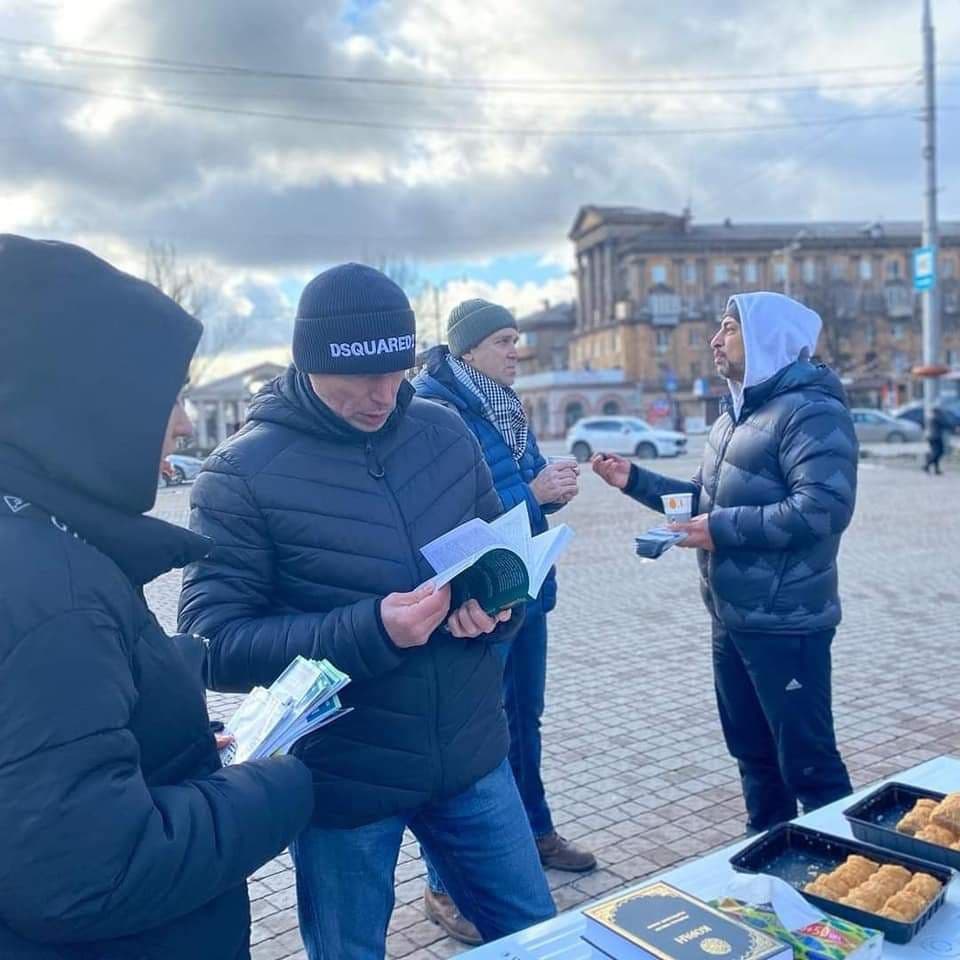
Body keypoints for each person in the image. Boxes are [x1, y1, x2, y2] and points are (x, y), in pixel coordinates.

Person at [178, 265, 556, 960]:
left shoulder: (444, 430)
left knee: (542, 943)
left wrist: (498, 608)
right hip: (345, 782)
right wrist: (371, 629)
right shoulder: (239, 474)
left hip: (471, 758)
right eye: (360, 379)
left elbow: (497, 557)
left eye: (397, 373)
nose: (384, 396)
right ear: (308, 363)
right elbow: (212, 643)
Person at [0, 235, 315, 960]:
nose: (183, 423)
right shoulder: (55, 590)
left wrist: (164, 732)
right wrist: (279, 787)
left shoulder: (36, 544)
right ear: (90, 403)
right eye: (169, 394)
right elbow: (89, 874)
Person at [593, 292, 857, 834]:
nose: (715, 340)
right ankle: (768, 853)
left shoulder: (811, 411)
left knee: (809, 766)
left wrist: (720, 529)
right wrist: (634, 480)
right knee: (753, 754)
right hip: (732, 617)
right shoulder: (733, 418)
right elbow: (704, 502)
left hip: (787, 622)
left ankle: (850, 867)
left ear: (767, 338)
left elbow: (823, 509)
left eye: (730, 329)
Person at [412, 300, 595, 944]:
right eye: (502, 341)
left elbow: (517, 488)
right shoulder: (434, 407)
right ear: (466, 349)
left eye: (517, 339)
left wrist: (548, 492)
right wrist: (533, 494)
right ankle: (443, 885)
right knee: (468, 739)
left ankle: (534, 830)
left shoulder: (504, 404)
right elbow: (450, 510)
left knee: (524, 719)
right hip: (473, 605)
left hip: (525, 591)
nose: (516, 351)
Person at [923, 405, 949, 475]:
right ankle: (927, 465)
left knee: (935, 452)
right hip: (936, 437)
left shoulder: (931, 418)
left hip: (931, 437)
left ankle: (936, 469)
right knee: (939, 452)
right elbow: (945, 424)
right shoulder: (937, 418)